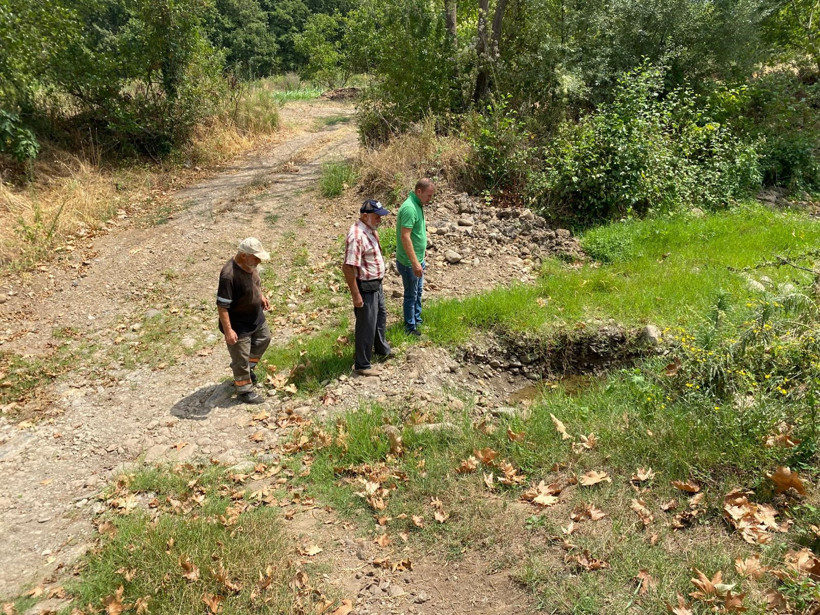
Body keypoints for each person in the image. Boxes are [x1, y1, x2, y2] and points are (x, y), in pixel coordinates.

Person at [216, 237, 272, 404]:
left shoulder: (251, 265)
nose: (258, 260)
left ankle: (247, 369)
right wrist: (228, 330)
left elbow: (254, 283)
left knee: (264, 339)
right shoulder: (229, 275)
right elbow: (222, 306)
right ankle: (244, 390)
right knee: (240, 358)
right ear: (243, 255)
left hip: (255, 316)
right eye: (255, 257)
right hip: (238, 324)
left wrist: (260, 295)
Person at [342, 199, 392, 376]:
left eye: (381, 216)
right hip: (365, 287)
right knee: (366, 326)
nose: (380, 219)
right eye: (376, 216)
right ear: (365, 215)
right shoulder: (356, 236)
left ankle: (381, 349)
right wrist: (356, 295)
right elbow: (348, 267)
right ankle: (362, 364)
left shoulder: (369, 230)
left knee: (380, 319)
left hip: (376, 284)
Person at [396, 178, 435, 335]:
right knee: (411, 295)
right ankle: (410, 327)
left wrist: (422, 250)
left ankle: (416, 320)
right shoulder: (410, 208)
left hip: (418, 259)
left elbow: (417, 233)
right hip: (409, 263)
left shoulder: (418, 204)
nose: (430, 199)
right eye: (429, 196)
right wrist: (414, 262)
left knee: (418, 292)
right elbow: (405, 237)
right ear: (419, 191)